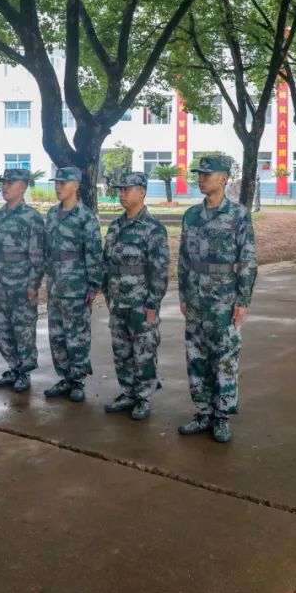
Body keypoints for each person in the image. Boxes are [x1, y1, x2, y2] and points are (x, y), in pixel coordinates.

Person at [177, 155, 257, 443]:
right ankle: (203, 412)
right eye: (199, 174)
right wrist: (183, 294)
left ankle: (222, 415)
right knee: (196, 355)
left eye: (207, 174)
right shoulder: (191, 216)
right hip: (195, 298)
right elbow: (183, 259)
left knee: (224, 357)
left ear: (223, 178)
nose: (201, 179)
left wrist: (242, 301)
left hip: (223, 298)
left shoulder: (238, 215)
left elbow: (247, 260)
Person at [102, 171, 170, 420]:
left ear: (141, 192)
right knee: (121, 351)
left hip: (141, 302)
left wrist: (153, 302)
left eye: (126, 189)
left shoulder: (153, 228)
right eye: (120, 190)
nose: (121, 194)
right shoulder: (115, 226)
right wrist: (107, 292)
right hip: (118, 300)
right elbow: (107, 262)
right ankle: (128, 392)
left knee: (144, 351)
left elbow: (160, 269)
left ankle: (143, 397)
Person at [44, 166, 103, 402]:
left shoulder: (85, 217)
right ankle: (65, 377)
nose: (58, 187)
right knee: (56, 336)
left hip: (76, 288)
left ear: (76, 186)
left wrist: (93, 285)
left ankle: (77, 380)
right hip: (55, 287)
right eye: (56, 183)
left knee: (77, 336)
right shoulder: (52, 214)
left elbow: (94, 253)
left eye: (63, 183)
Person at [0, 168, 45, 393]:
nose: (5, 187)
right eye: (4, 183)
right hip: (0, 284)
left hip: (22, 285)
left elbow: (37, 256)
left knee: (24, 330)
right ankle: (13, 367)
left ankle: (25, 372)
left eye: (10, 183)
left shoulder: (32, 217)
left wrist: (33, 284)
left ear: (23, 187)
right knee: (3, 329)